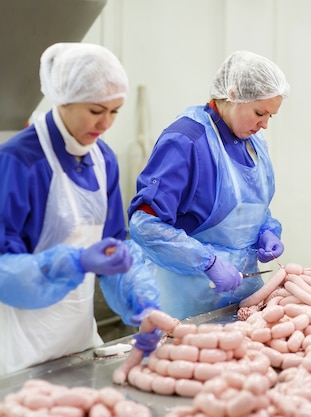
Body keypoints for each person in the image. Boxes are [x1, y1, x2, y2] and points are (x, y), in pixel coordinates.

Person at [0, 43, 160, 376]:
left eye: (115, 112)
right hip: (18, 352)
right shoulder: (18, 162)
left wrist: (142, 302)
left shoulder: (104, 161)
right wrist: (75, 261)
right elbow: (4, 271)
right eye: (96, 110)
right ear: (64, 99)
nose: (106, 123)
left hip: (77, 344)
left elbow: (117, 247)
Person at [127, 50, 289, 320]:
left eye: (271, 116)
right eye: (260, 112)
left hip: (240, 301)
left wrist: (266, 230)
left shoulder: (254, 144)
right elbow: (144, 225)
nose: (264, 125)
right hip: (184, 305)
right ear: (233, 95)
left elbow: (246, 209)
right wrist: (207, 261)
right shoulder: (185, 142)